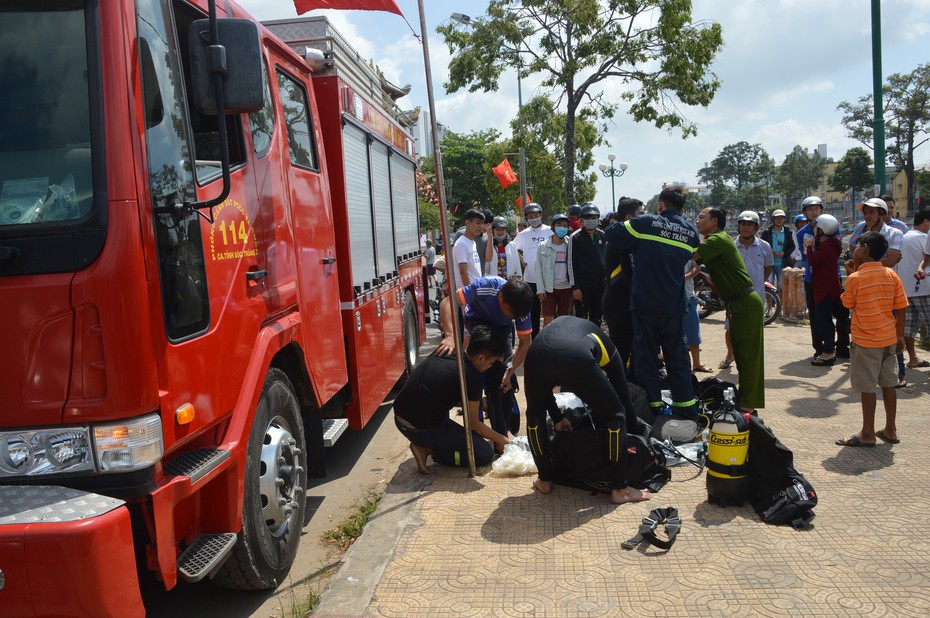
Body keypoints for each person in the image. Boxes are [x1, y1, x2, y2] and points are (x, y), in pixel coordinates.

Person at [523, 316, 650, 505]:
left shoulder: (561, 327)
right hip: (576, 357)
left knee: (534, 417)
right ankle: (620, 489)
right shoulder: (608, 347)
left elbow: (543, 391)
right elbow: (622, 397)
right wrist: (633, 431)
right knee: (616, 416)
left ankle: (544, 480)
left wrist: (557, 417)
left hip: (537, 354)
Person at [606, 187, 700, 421]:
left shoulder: (645, 223)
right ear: (682, 209)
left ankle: (653, 410)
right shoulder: (690, 232)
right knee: (677, 358)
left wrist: (629, 221)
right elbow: (692, 253)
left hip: (646, 305)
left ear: (660, 205)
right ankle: (687, 410)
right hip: (674, 307)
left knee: (646, 358)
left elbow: (612, 233)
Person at [394, 325, 511, 473]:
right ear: (480, 358)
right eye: (491, 362)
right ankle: (426, 449)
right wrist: (502, 439)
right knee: (483, 454)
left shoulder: (448, 351)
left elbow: (445, 394)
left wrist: (480, 403)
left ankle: (428, 442)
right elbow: (474, 425)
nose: (491, 367)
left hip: (400, 419)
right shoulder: (472, 376)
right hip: (421, 429)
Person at [437, 276, 535, 440]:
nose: (513, 316)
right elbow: (447, 302)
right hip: (477, 321)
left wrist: (510, 372)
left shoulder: (521, 308)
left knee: (501, 379)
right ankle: (476, 425)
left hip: (502, 329)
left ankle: (503, 431)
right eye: (510, 312)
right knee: (476, 370)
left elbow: (525, 343)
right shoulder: (485, 287)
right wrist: (449, 336)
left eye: (515, 315)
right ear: (501, 297)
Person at [836, 231, 908, 447]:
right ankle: (891, 430)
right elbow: (901, 306)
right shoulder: (891, 275)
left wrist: (851, 274)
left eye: (857, 246)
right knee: (888, 383)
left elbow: (847, 303)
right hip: (888, 338)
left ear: (865, 249)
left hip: (866, 340)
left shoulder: (856, 278)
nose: (854, 249)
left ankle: (867, 433)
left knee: (868, 387)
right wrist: (900, 335)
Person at [694, 207, 765, 414]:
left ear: (714, 221)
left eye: (701, 217)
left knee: (750, 358)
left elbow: (690, 255)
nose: (698, 221)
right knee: (742, 356)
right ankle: (744, 399)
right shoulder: (716, 240)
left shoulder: (717, 240)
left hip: (746, 304)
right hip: (736, 304)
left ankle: (749, 405)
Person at [849, 198, 906, 386]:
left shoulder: (895, 233)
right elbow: (885, 259)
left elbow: (892, 259)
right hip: (866, 291)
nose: (867, 216)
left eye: (871, 212)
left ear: (882, 214)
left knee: (891, 331)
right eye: (865, 213)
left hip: (886, 291)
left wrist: (863, 265)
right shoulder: (862, 233)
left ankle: (897, 376)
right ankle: (876, 377)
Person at [797, 196, 850, 360]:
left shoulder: (832, 226)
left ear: (821, 210)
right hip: (813, 279)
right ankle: (820, 348)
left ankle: (842, 346)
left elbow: (837, 249)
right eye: (810, 209)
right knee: (816, 316)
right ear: (805, 213)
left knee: (841, 313)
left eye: (817, 208)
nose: (814, 211)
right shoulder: (802, 233)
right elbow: (806, 256)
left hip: (834, 277)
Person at [720, 211, 773, 368]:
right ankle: (730, 355)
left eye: (749, 224)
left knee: (754, 331)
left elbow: (768, 268)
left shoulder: (764, 247)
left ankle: (751, 359)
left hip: (756, 296)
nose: (746, 227)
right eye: (743, 224)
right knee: (731, 328)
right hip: (734, 297)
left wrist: (758, 283)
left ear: (756, 227)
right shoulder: (730, 246)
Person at [602, 197, 644, 375]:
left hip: (622, 301)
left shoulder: (624, 237)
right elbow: (627, 275)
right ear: (629, 217)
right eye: (640, 214)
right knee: (621, 350)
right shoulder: (621, 240)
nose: (644, 218)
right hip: (618, 303)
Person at [806, 214, 844, 366]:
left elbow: (813, 260)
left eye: (816, 227)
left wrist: (808, 246)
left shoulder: (827, 246)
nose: (814, 229)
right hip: (826, 287)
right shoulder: (829, 244)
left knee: (822, 321)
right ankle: (829, 350)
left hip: (825, 289)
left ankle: (829, 352)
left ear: (822, 229)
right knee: (825, 320)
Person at [512, 203, 552, 338]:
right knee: (534, 311)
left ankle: (550, 338)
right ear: (526, 218)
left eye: (536, 215)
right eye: (530, 216)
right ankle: (535, 339)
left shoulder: (550, 231)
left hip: (549, 278)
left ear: (541, 215)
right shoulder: (523, 234)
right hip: (530, 278)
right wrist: (521, 259)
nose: (534, 218)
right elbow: (512, 248)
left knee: (550, 312)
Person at [900, 209, 930, 368]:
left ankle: (913, 358)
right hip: (924, 289)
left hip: (906, 290)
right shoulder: (924, 238)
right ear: (926, 221)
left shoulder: (903, 238)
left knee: (909, 327)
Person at [569, 203, 608, 326]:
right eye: (587, 218)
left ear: (598, 218)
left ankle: (595, 343)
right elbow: (571, 263)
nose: (590, 220)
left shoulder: (604, 235)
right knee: (581, 317)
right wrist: (575, 287)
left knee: (597, 317)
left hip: (600, 284)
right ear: (581, 220)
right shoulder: (575, 237)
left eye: (593, 218)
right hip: (582, 285)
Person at [536, 213, 574, 326]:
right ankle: (546, 343)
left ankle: (561, 343)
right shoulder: (543, 246)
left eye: (565, 225)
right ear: (553, 227)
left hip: (566, 288)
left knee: (563, 319)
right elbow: (538, 268)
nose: (562, 227)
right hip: (549, 289)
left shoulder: (571, 244)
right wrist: (540, 289)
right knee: (548, 319)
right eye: (558, 224)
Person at [684, 258, 710, 372]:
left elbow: (698, 267)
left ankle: (696, 363)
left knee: (693, 333)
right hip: (669, 299)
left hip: (689, 298)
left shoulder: (688, 248)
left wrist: (688, 275)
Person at [760, 208, 795, 289]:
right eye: (777, 218)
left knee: (781, 285)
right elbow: (761, 246)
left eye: (781, 218)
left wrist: (784, 253)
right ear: (773, 219)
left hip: (781, 263)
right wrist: (770, 251)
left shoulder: (787, 232)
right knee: (769, 284)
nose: (779, 220)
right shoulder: (767, 232)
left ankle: (779, 301)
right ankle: (769, 302)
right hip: (769, 263)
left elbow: (792, 246)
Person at [452, 208, 485, 286]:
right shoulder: (462, 244)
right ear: (467, 223)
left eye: (482, 223)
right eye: (478, 223)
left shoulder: (472, 242)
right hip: (468, 293)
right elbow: (463, 272)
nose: (481, 227)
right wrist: (470, 292)